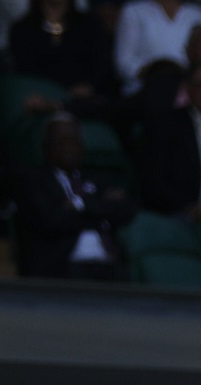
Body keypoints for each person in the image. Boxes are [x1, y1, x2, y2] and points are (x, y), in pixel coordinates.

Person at [19, 116, 134, 281]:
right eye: (62, 141)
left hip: (108, 266)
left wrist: (80, 205)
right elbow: (50, 220)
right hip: (62, 267)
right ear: (46, 147)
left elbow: (125, 210)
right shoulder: (34, 182)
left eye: (74, 141)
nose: (69, 147)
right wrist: (99, 214)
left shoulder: (98, 179)